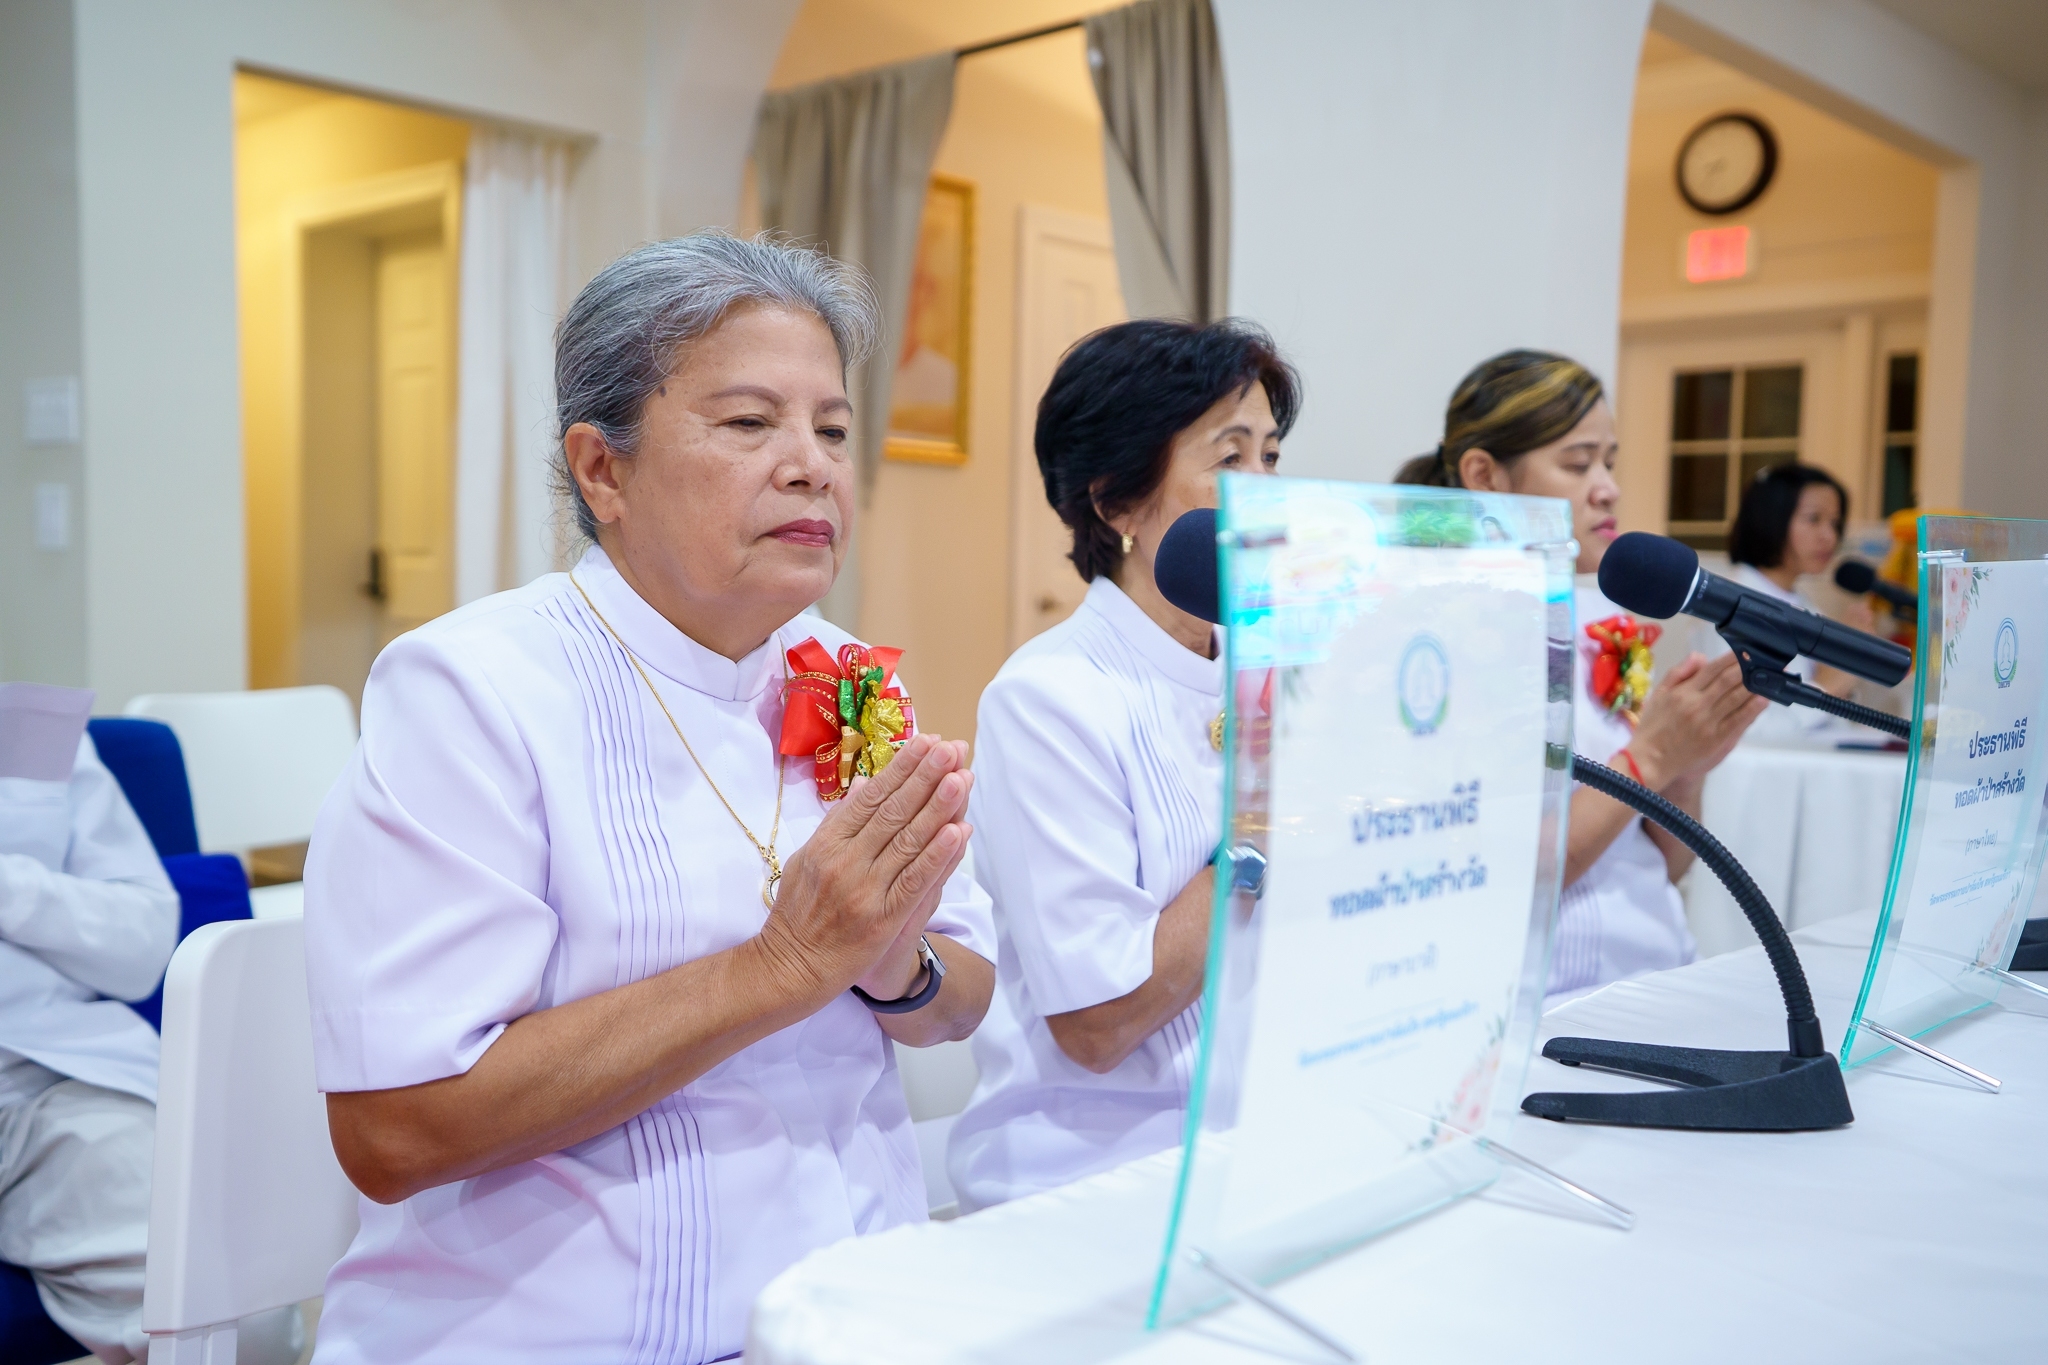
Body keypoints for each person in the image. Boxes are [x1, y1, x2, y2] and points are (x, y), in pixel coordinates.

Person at [302, 233, 995, 1364]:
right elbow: (397, 1129)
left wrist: (893, 966)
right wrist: (783, 966)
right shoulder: (472, 692)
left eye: (829, 428)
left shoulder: (855, 677)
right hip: (555, 1328)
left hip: (850, 1308)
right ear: (601, 470)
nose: (810, 463)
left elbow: (962, 996)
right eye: (746, 423)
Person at [947, 319, 1298, 1211]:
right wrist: (1266, 818)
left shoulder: (1273, 668)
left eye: (1272, 457)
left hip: (1272, 1144)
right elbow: (1099, 1024)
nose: (1266, 494)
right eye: (1230, 459)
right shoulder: (1051, 698)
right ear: (1114, 500)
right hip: (1102, 1176)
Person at [1397, 350, 1767, 1005]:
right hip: (1537, 1000)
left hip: (1656, 970)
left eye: (1610, 461)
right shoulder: (1438, 641)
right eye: (1577, 462)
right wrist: (1649, 758)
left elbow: (1667, 860)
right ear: (1486, 475)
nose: (1607, 487)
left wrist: (1688, 763)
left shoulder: (1606, 618)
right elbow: (1505, 876)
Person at [0, 709, 176, 1362]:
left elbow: (145, 945)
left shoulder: (34, 732)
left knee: (241, 1318)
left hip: (43, 1085)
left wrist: (12, 886)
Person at [1723, 463, 1873, 738]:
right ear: (1771, 518)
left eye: (1835, 523)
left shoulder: (1804, 601)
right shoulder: (1734, 600)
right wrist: (1829, 687)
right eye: (1814, 519)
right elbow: (1749, 726)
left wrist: (1844, 669)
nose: (1829, 536)